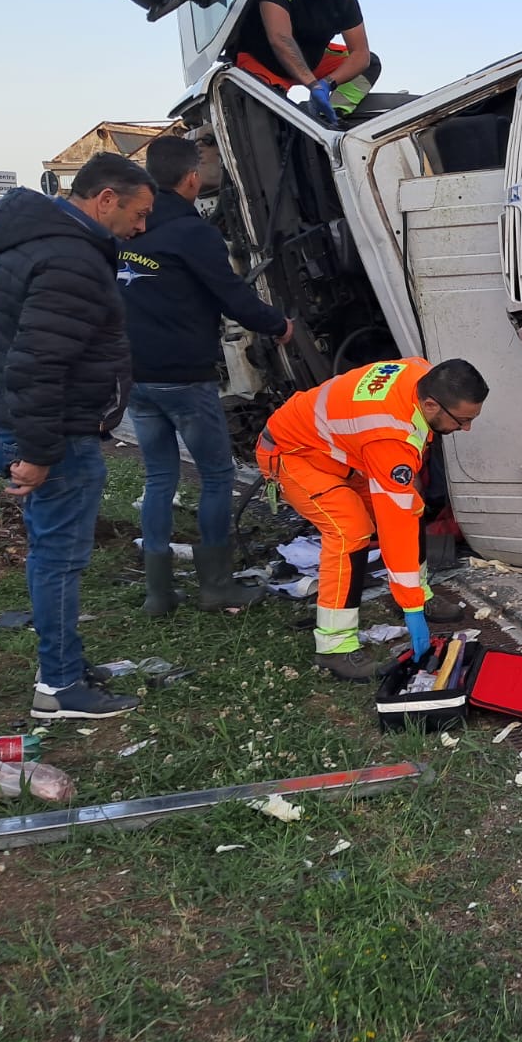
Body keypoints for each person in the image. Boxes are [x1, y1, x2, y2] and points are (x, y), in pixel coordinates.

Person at [0, 154, 155, 720]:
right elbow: (37, 363)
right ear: (105, 199)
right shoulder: (71, 259)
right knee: (58, 560)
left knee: (50, 555)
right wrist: (39, 452)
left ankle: (66, 666)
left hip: (20, 422)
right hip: (52, 434)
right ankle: (58, 687)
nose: (142, 228)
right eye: (139, 212)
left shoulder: (29, 238)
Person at [121, 136, 294, 616]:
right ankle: (215, 584)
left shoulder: (129, 230)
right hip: (183, 377)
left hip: (136, 377)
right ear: (191, 178)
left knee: (159, 476)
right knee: (217, 476)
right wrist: (278, 325)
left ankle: (159, 593)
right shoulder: (192, 233)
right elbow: (232, 296)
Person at [255, 358, 487, 681]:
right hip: (292, 454)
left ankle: (416, 595)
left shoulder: (421, 372)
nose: (466, 429)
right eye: (461, 420)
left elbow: (403, 507)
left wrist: (413, 599)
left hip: (338, 451)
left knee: (411, 505)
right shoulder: (390, 435)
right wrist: (412, 611)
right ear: (431, 404)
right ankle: (334, 647)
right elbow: (396, 522)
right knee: (350, 530)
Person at [229, 0, 380, 126]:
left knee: (369, 64)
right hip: (263, 62)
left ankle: (331, 114)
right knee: (268, 121)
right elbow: (280, 38)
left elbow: (361, 53)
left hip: (312, 61)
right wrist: (313, 84)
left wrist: (328, 83)